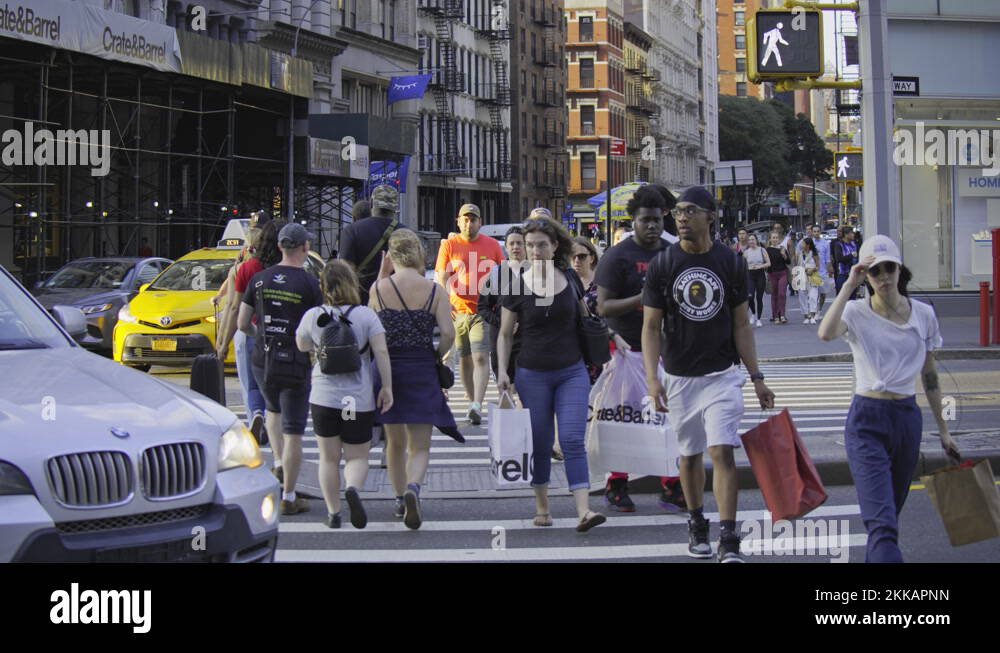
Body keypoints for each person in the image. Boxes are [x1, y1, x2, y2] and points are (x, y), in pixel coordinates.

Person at [641, 186, 775, 563]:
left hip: (722, 374)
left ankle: (729, 537)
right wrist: (653, 378)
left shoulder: (730, 262)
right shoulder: (664, 264)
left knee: (722, 450)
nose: (681, 217)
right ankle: (697, 521)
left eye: (690, 211)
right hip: (680, 376)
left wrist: (757, 376)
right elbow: (651, 328)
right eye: (678, 212)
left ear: (711, 216)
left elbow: (742, 325)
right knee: (689, 455)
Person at [818, 235, 959, 563]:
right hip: (867, 420)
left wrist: (944, 431)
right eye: (874, 271)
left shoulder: (924, 314)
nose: (882, 276)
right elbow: (825, 333)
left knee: (888, 519)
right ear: (865, 275)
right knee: (881, 525)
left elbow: (931, 378)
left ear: (900, 270)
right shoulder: (854, 312)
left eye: (888, 268)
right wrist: (849, 283)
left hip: (907, 419)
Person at [497, 217, 606, 532]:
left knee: (572, 439)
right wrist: (503, 371)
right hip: (532, 374)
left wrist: (616, 342)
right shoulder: (515, 284)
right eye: (529, 245)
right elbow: (504, 334)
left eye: (541, 244)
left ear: (555, 246)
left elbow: (588, 319)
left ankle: (584, 511)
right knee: (541, 442)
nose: (534, 250)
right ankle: (542, 506)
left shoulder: (570, 278)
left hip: (572, 371)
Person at [595, 186, 686, 513]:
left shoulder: (672, 252)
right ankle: (617, 484)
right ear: (632, 221)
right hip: (624, 349)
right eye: (645, 220)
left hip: (666, 349)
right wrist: (645, 297)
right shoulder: (617, 256)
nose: (652, 226)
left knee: (668, 419)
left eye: (657, 219)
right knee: (626, 419)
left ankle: (671, 485)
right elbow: (603, 307)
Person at [372, 229, 462, 529]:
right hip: (422, 368)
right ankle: (414, 488)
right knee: (420, 445)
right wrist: (438, 355)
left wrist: (381, 274)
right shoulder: (434, 290)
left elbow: (371, 332)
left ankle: (399, 498)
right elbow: (449, 334)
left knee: (394, 444)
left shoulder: (379, 289)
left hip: (390, 371)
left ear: (391, 256)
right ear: (419, 254)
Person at [296, 260, 393, 529]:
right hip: (355, 400)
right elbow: (381, 352)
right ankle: (352, 487)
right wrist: (386, 387)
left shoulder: (313, 315)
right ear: (352, 283)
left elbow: (301, 344)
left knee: (328, 458)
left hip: (323, 398)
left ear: (323, 286)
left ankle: (333, 513)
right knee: (357, 456)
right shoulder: (365, 315)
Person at [238, 223, 322, 515]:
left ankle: (276, 463)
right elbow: (318, 327)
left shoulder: (260, 279)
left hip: (264, 358)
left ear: (280, 247)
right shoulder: (311, 284)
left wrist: (260, 338)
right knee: (295, 430)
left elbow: (241, 323)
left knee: (272, 410)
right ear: (305, 248)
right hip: (296, 359)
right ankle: (288, 495)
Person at [435, 203, 505, 425]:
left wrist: (499, 301)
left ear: (480, 222)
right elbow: (442, 276)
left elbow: (503, 275)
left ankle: (477, 404)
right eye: (465, 219)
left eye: (473, 219)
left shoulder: (492, 245)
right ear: (458, 221)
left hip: (483, 312)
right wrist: (446, 302)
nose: (469, 223)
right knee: (465, 360)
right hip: (458, 311)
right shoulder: (449, 245)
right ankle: (472, 401)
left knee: (481, 356)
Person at [216, 219, 281, 445]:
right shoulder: (287, 267)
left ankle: (256, 415)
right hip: (277, 332)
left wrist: (223, 342)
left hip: (248, 331)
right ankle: (272, 421)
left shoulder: (246, 268)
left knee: (251, 383)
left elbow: (233, 307)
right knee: (272, 382)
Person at [339, 186, 406, 305]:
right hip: (397, 304)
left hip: (360, 304)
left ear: (371, 204)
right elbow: (417, 272)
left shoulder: (351, 231)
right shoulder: (406, 234)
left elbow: (344, 273)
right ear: (396, 208)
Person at [478, 225, 526, 390]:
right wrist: (502, 322)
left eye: (520, 243)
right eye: (512, 243)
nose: (516, 247)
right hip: (500, 339)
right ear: (505, 247)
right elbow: (482, 307)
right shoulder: (497, 273)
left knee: (524, 390)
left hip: (527, 341)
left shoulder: (534, 273)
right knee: (504, 389)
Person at [743, 233, 770, 328]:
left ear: (756, 240)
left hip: (760, 275)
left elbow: (768, 263)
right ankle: (753, 314)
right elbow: (743, 265)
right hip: (750, 275)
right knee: (750, 296)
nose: (751, 241)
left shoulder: (762, 250)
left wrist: (760, 266)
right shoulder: (746, 252)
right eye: (749, 240)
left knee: (759, 297)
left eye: (753, 239)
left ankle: (759, 319)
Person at [766, 231, 790, 323]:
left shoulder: (782, 248)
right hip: (772, 274)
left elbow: (788, 262)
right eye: (773, 238)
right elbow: (767, 263)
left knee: (782, 294)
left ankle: (782, 315)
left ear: (779, 239)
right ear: (770, 239)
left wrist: (784, 254)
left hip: (782, 273)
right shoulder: (767, 250)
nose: (775, 239)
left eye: (776, 238)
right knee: (774, 295)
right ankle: (776, 316)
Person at [810, 223, 834, 314]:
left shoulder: (826, 243)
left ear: (820, 232)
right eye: (814, 231)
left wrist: (830, 270)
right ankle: (814, 310)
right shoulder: (809, 243)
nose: (816, 233)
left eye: (818, 231)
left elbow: (827, 258)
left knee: (823, 293)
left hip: (823, 271)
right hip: (813, 271)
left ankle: (819, 309)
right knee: (813, 293)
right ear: (812, 232)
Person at [796, 237, 821, 324]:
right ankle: (806, 316)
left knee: (813, 297)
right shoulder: (800, 254)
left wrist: (812, 269)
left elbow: (818, 266)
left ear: (808, 245)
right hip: (802, 277)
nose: (801, 245)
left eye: (803, 243)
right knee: (802, 296)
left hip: (812, 277)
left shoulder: (814, 254)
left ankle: (813, 315)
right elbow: (797, 265)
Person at [831, 225, 860, 298]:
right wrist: (851, 255)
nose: (853, 235)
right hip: (843, 275)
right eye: (851, 233)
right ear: (846, 235)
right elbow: (839, 259)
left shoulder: (854, 244)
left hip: (853, 275)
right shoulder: (839, 244)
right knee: (842, 298)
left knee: (853, 299)